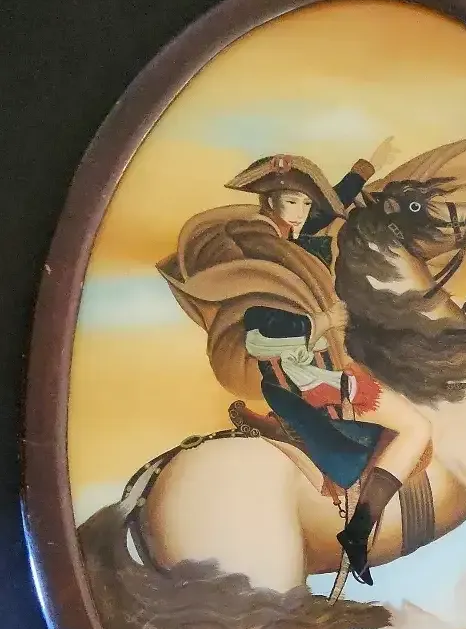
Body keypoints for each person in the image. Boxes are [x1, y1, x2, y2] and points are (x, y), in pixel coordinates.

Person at [156, 140, 432, 585]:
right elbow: (258, 337)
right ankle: (358, 532)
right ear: (270, 201)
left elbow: (327, 209)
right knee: (417, 428)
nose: (302, 212)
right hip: (305, 383)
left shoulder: (285, 242)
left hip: (315, 369)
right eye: (292, 201)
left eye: (305, 203)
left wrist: (366, 168)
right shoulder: (261, 251)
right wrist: (322, 321)